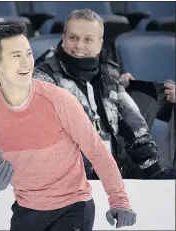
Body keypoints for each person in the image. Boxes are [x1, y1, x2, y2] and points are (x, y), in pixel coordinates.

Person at [0, 23, 136, 231]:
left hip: (73, 208)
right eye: (16, 55)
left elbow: (97, 152)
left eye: (28, 53)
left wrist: (119, 201)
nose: (26, 62)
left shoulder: (59, 100)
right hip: (25, 212)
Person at [32, 9, 175, 179]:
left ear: (99, 44)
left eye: (88, 39)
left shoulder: (109, 73)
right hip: (66, 178)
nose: (79, 46)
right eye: (73, 38)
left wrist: (154, 172)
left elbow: (134, 126)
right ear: (63, 37)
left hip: (111, 173)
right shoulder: (43, 76)